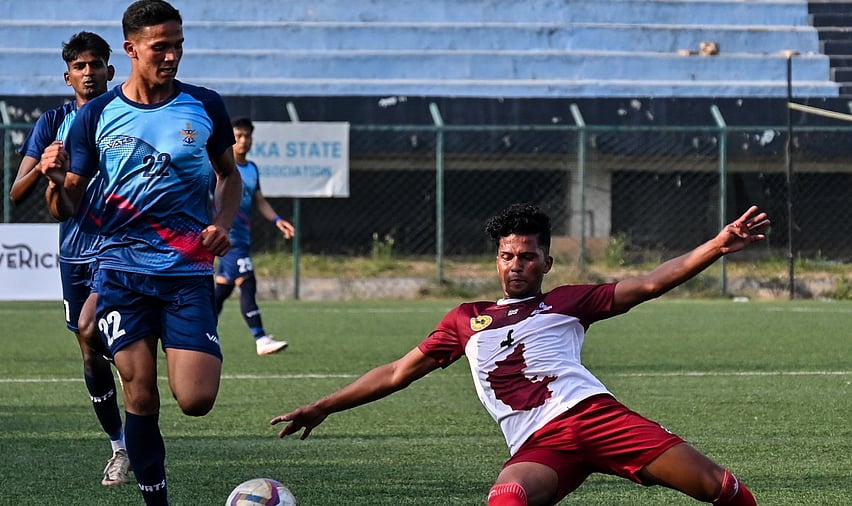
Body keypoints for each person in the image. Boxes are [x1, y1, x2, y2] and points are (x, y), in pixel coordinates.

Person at [272, 203, 769, 506]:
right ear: (497, 260)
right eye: (507, 256)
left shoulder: (569, 301)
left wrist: (717, 246)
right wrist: (324, 406)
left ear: (546, 262)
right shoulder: (465, 319)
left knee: (715, 486)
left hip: (595, 416)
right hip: (539, 443)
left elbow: (650, 283)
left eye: (527, 256)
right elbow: (398, 372)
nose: (516, 265)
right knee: (506, 495)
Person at [37, 1, 242, 504]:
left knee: (196, 399)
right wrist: (54, 179)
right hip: (121, 275)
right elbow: (70, 204)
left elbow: (228, 177)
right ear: (130, 50)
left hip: (186, 273)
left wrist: (220, 223)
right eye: (160, 47)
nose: (171, 56)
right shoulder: (97, 116)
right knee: (141, 394)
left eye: (178, 45)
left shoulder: (205, 105)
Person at [10, 31, 130, 487]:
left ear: (109, 71)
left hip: (118, 246)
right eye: (79, 66)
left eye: (95, 64)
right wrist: (43, 167)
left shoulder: (126, 115)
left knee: (91, 331)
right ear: (68, 76)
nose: (88, 72)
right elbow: (17, 194)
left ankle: (135, 431)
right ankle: (119, 446)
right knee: (91, 351)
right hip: (73, 252)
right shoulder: (52, 122)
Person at [214, 117, 295, 356]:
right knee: (247, 282)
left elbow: (259, 200)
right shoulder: (219, 167)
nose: (243, 140)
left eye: (247, 136)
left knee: (223, 290)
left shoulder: (252, 168)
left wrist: (278, 220)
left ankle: (192, 334)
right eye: (238, 136)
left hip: (243, 237)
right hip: (228, 238)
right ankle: (261, 338)